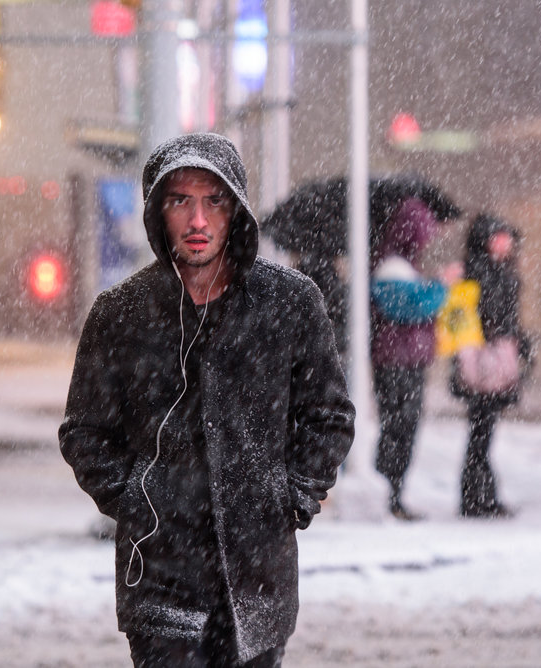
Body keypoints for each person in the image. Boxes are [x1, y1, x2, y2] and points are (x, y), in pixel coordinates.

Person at [59, 132, 355, 668]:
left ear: (235, 208)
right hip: (159, 570)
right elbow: (83, 432)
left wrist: (291, 496)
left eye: (213, 201)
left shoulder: (288, 303)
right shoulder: (121, 314)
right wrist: (136, 498)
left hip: (258, 572)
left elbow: (328, 416)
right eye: (180, 201)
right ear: (157, 212)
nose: (198, 221)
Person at [369, 197, 448, 521]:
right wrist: (440, 288)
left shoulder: (400, 266)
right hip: (396, 361)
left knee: (402, 427)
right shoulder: (391, 268)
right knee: (398, 426)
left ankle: (393, 493)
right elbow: (408, 307)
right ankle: (389, 495)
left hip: (406, 360)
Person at [450, 213, 532, 518]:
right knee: (481, 434)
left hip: (485, 361)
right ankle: (478, 497)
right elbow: (486, 317)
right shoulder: (485, 273)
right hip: (486, 363)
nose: (506, 243)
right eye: (499, 237)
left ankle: (478, 495)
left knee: (481, 433)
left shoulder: (483, 271)